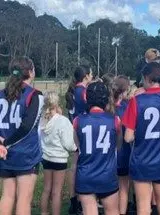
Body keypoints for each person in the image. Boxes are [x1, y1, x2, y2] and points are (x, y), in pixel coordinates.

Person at [122, 62, 160, 215]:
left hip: (142, 160)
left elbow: (128, 137)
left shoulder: (137, 101)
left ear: (147, 78)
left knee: (143, 208)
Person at [0, 57, 43, 215]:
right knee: (24, 199)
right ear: (31, 72)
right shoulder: (35, 95)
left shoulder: (1, 94)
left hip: (4, 153)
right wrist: (7, 142)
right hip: (25, 154)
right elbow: (27, 126)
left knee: (7, 196)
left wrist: (2, 143)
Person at [74, 81, 122, 215]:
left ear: (86, 98)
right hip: (107, 174)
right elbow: (118, 146)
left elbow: (78, 146)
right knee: (112, 211)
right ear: (107, 98)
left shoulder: (78, 121)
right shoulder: (115, 120)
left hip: (85, 175)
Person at [40, 92, 77, 215]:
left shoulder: (42, 119)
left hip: (46, 157)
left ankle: (44, 212)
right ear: (57, 104)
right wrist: (75, 148)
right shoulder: (62, 121)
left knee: (46, 189)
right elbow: (68, 143)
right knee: (57, 191)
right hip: (59, 159)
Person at [65, 65, 93, 214]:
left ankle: (73, 201)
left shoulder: (72, 91)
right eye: (91, 74)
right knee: (83, 165)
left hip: (73, 129)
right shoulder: (84, 91)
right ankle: (82, 201)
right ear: (86, 76)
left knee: (74, 165)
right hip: (83, 131)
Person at [113, 76, 131, 215]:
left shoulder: (107, 106)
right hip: (123, 152)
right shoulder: (127, 107)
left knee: (112, 189)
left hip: (108, 155)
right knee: (124, 187)